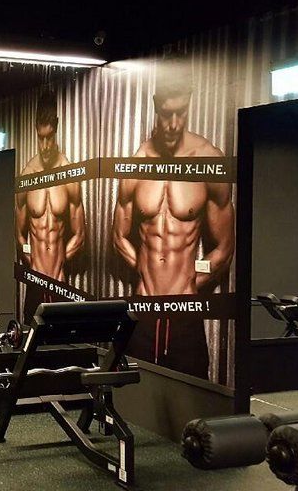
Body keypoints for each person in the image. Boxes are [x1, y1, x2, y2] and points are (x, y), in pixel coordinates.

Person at [112, 72, 235, 378]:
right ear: (156, 106)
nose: (174, 124)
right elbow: (119, 236)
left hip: (185, 309)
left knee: (192, 393)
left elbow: (225, 246)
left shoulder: (208, 159)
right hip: (143, 306)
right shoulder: (137, 163)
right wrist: (144, 268)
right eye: (167, 114)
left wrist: (192, 280)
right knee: (134, 389)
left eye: (181, 113)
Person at [15, 92, 86, 322]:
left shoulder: (68, 174)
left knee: (61, 339)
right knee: (30, 339)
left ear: (56, 130)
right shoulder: (27, 175)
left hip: (59, 281)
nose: (45, 146)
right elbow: (20, 234)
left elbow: (79, 235)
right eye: (40, 138)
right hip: (35, 281)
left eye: (49, 138)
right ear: (35, 131)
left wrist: (59, 260)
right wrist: (32, 258)